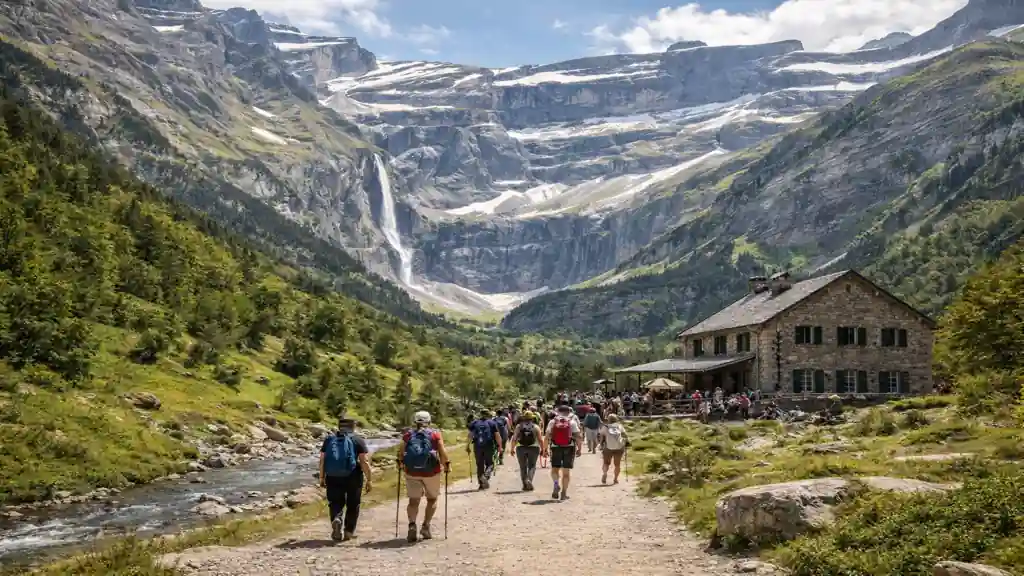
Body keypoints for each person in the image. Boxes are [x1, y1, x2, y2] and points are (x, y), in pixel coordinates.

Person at [399, 411, 450, 543]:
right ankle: (425, 526)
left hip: (412, 473)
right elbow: (442, 452)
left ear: (415, 421)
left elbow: (401, 453)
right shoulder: (435, 434)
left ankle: (412, 524)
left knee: (413, 500)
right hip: (431, 472)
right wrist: (447, 465)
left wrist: (400, 465)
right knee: (432, 499)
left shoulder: (408, 435)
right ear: (429, 421)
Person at [319, 418, 372, 542]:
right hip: (353, 476)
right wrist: (369, 479)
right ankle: (348, 531)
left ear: (339, 426)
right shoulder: (357, 440)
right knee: (353, 504)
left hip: (332, 476)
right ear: (353, 427)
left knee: (335, 502)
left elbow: (322, 460)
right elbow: (364, 461)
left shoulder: (329, 440)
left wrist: (322, 477)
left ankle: (337, 519)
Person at [545, 403, 582, 500]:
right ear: (569, 412)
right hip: (569, 448)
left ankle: (556, 484)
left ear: (558, 412)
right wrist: (579, 449)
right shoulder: (572, 422)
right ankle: (564, 493)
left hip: (555, 447)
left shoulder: (553, 422)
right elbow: (578, 437)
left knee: (555, 469)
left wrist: (544, 449)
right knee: (566, 472)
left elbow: (547, 436)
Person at [509, 410, 545, 491]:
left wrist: (512, 449)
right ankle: (529, 480)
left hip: (520, 448)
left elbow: (514, 439)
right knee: (532, 466)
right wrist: (543, 450)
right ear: (532, 418)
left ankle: (525, 484)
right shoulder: (536, 427)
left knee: (523, 467)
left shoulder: (519, 426)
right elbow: (540, 440)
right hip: (534, 448)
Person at [467, 409, 502, 489]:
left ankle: (481, 484)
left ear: (481, 414)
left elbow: (470, 435)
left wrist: (467, 446)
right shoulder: (492, 423)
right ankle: (485, 477)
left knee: (479, 465)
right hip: (489, 446)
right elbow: (497, 435)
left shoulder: (475, 423)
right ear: (488, 414)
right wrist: (500, 446)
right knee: (490, 464)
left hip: (477, 446)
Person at [599, 413, 628, 485]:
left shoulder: (605, 427)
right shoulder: (619, 426)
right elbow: (625, 435)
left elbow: (601, 436)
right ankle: (615, 479)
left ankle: (605, 473)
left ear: (608, 419)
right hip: (619, 447)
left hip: (608, 447)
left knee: (606, 463)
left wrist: (601, 444)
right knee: (617, 465)